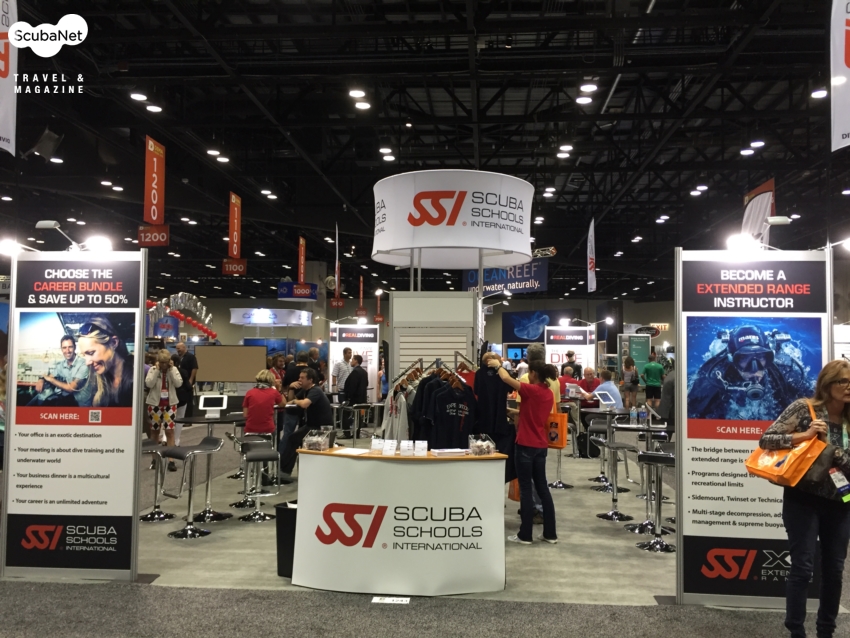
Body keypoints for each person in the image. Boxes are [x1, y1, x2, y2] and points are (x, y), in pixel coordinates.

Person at [759, 360, 850, 638]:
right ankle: (796, 630)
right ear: (827, 384)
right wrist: (804, 435)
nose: (848, 387)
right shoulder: (805, 408)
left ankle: (826, 631)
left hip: (841, 502)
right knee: (802, 567)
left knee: (834, 571)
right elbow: (766, 440)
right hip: (803, 500)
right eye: (843, 381)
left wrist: (836, 454)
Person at [489, 357, 557, 545]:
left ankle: (525, 534)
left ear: (533, 373)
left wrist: (498, 366)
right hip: (540, 446)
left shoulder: (530, 390)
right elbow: (534, 413)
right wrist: (512, 412)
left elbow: (506, 379)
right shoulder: (548, 393)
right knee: (543, 488)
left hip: (525, 445)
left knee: (526, 489)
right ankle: (550, 533)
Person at [279, 367, 334, 480]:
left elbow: (304, 404)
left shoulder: (315, 390)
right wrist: (291, 388)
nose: (299, 380)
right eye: (299, 377)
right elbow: (290, 400)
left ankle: (284, 473)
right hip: (312, 426)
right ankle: (284, 471)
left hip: (321, 429)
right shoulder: (306, 390)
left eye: (302, 378)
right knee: (293, 439)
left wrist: (295, 401)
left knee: (292, 439)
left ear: (310, 380)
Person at [77, 316, 135, 407]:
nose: (87, 362)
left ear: (113, 343)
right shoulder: (100, 381)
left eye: (91, 353)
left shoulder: (137, 378)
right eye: (84, 355)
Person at [144, 350, 183, 471]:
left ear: (169, 361)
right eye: (162, 362)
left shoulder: (174, 370)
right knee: (154, 432)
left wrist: (171, 370)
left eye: (166, 362)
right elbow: (149, 384)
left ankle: (171, 460)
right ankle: (155, 459)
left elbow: (178, 384)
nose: (164, 365)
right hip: (154, 405)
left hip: (170, 405)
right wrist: (156, 370)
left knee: (169, 431)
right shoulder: (152, 370)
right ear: (158, 361)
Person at [27, 335, 89, 406]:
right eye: (64, 348)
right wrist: (41, 380)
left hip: (82, 405)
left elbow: (71, 388)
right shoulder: (61, 365)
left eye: (70, 347)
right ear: (61, 349)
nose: (67, 351)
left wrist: (51, 380)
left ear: (75, 347)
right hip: (68, 401)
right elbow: (49, 376)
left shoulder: (84, 364)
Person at [280, 351, 310, 451]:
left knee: (288, 433)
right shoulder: (311, 371)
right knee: (306, 435)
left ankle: (283, 455)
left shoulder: (290, 370)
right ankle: (304, 455)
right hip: (308, 407)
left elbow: (283, 387)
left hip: (291, 406)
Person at [243, 369, 285, 436]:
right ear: (271, 380)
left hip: (250, 429)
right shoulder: (274, 392)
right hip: (268, 429)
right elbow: (283, 404)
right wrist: (279, 389)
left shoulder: (249, 392)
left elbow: (245, 414)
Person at [342, 354, 369, 439]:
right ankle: (357, 433)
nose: (351, 361)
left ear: (356, 361)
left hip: (354, 399)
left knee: (345, 413)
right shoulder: (364, 372)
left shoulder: (355, 372)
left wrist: (349, 397)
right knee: (358, 417)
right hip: (362, 399)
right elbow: (366, 384)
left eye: (353, 359)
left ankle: (346, 433)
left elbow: (352, 386)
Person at [170, 354, 192, 446]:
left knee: (168, 419)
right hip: (181, 398)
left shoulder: (167, 371)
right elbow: (187, 385)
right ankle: (176, 440)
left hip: (170, 397)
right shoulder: (183, 372)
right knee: (179, 419)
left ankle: (165, 438)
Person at [175, 342, 198, 417]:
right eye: (176, 348)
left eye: (179, 348)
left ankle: (188, 418)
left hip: (187, 383)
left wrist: (191, 380)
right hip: (180, 383)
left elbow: (194, 368)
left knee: (188, 401)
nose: (177, 350)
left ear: (184, 348)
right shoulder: (178, 357)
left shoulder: (190, 357)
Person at [658, 363, 675, 431]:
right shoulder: (677, 377)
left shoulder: (671, 374)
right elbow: (677, 397)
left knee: (665, 434)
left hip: (665, 410)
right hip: (670, 412)